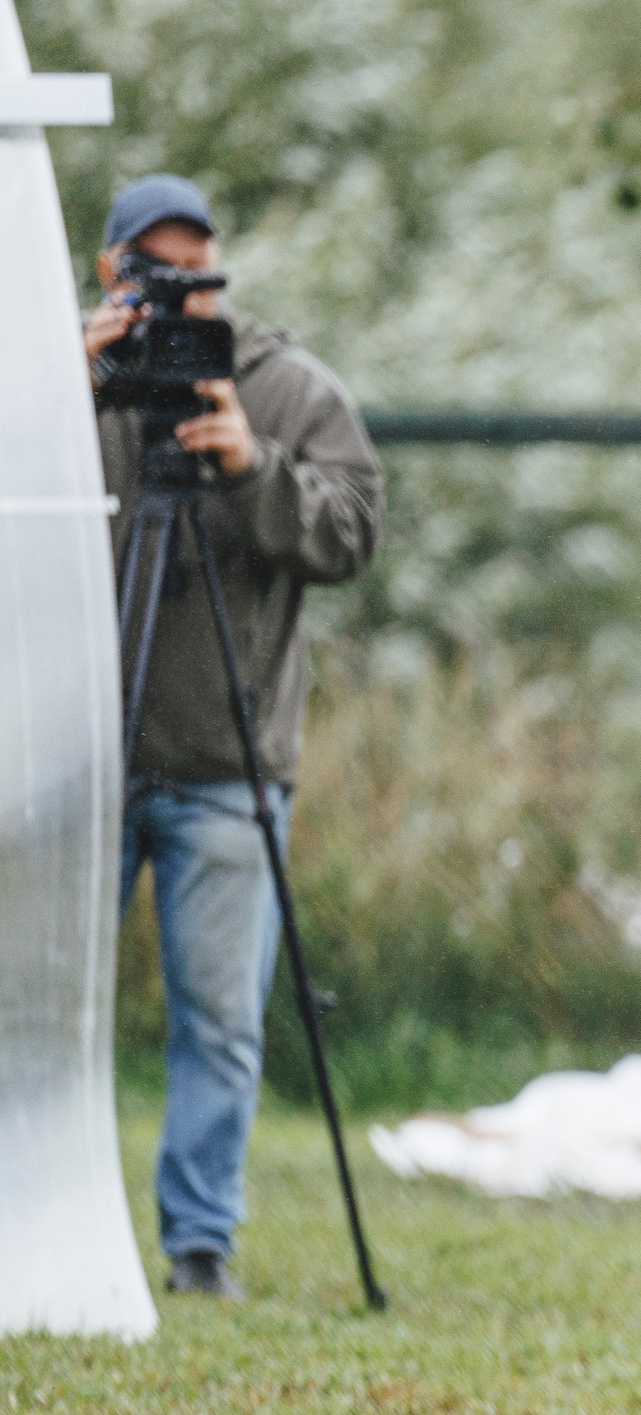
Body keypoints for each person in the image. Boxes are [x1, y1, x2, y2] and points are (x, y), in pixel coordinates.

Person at [83, 174, 386, 1301]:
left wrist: (253, 466)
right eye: (154, 273)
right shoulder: (56, 376)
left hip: (229, 763)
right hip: (81, 760)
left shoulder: (284, 386)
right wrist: (62, 378)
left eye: (196, 272)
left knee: (218, 1019)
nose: (179, 296)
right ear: (114, 274)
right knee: (44, 1007)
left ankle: (199, 1244)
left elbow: (355, 526)